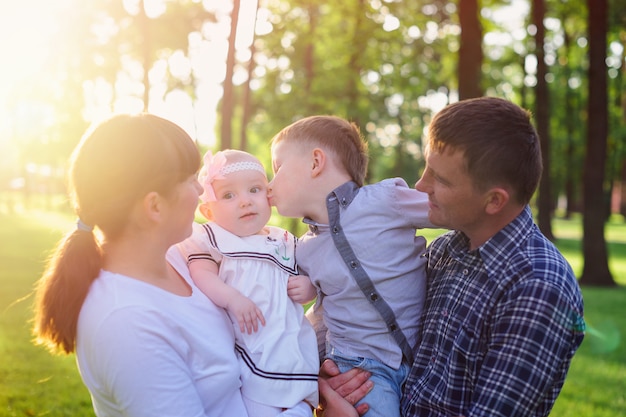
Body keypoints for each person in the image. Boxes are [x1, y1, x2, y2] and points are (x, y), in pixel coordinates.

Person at [30, 114, 312, 417]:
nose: (202, 193)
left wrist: (313, 387)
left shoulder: (181, 257)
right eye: (193, 181)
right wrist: (306, 412)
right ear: (155, 206)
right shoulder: (126, 324)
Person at [324, 96, 587, 417]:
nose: (421, 185)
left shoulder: (538, 289)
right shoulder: (443, 252)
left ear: (494, 200)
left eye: (441, 179)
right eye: (426, 168)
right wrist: (340, 379)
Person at [267, 115, 434, 417]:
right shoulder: (302, 251)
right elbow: (322, 314)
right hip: (358, 368)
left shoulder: (387, 200)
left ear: (315, 162)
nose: (269, 184)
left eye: (277, 169)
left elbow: (453, 209)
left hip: (420, 360)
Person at [177, 149, 319, 417]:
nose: (245, 202)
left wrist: (308, 285)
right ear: (208, 210)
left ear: (269, 195)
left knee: (299, 405)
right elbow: (201, 273)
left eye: (254, 189)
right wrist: (232, 298)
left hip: (290, 351)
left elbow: (304, 276)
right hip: (251, 350)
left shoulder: (283, 240)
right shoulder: (215, 238)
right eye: (229, 195)